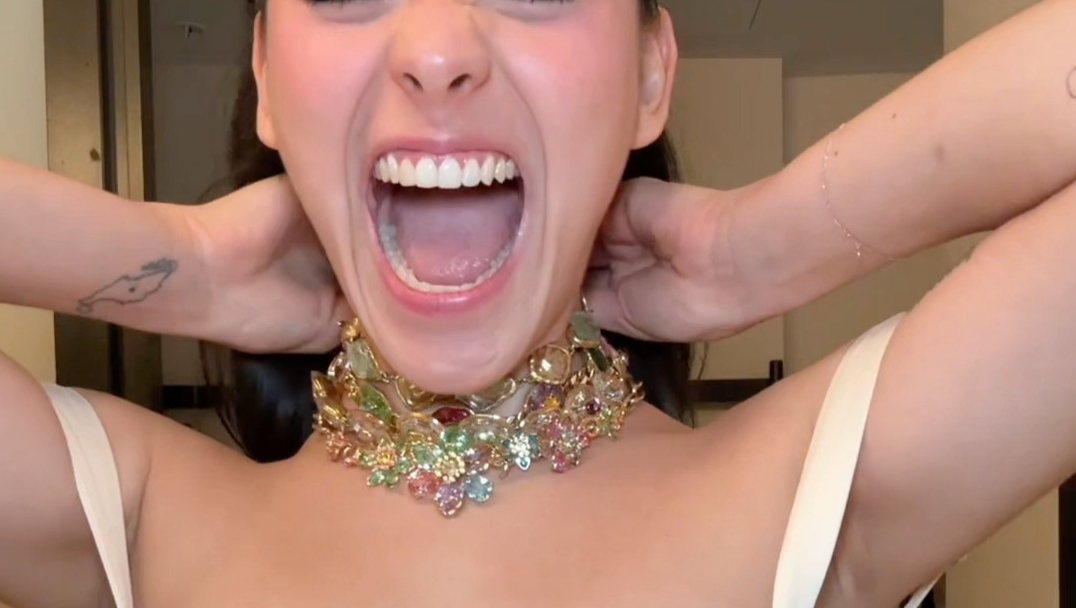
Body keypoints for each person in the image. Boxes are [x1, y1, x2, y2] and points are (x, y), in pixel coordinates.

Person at [2, 0, 1076, 607]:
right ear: (268, 82)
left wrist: (753, 251)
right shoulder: (131, 512)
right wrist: (182, 262)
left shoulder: (814, 489)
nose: (436, 52)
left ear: (649, 76)